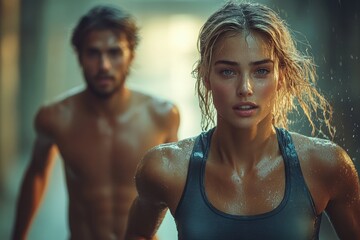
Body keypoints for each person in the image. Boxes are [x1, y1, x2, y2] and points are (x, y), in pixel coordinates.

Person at [125, 1, 360, 239]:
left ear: (281, 76)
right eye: (228, 71)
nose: (245, 88)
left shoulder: (326, 165)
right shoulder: (166, 168)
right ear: (206, 76)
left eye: (261, 71)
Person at [12, 5, 180, 240]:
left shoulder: (162, 115)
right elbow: (37, 174)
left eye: (114, 53)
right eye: (93, 53)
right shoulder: (55, 117)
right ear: (79, 56)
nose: (104, 66)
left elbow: (177, 188)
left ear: (131, 54)